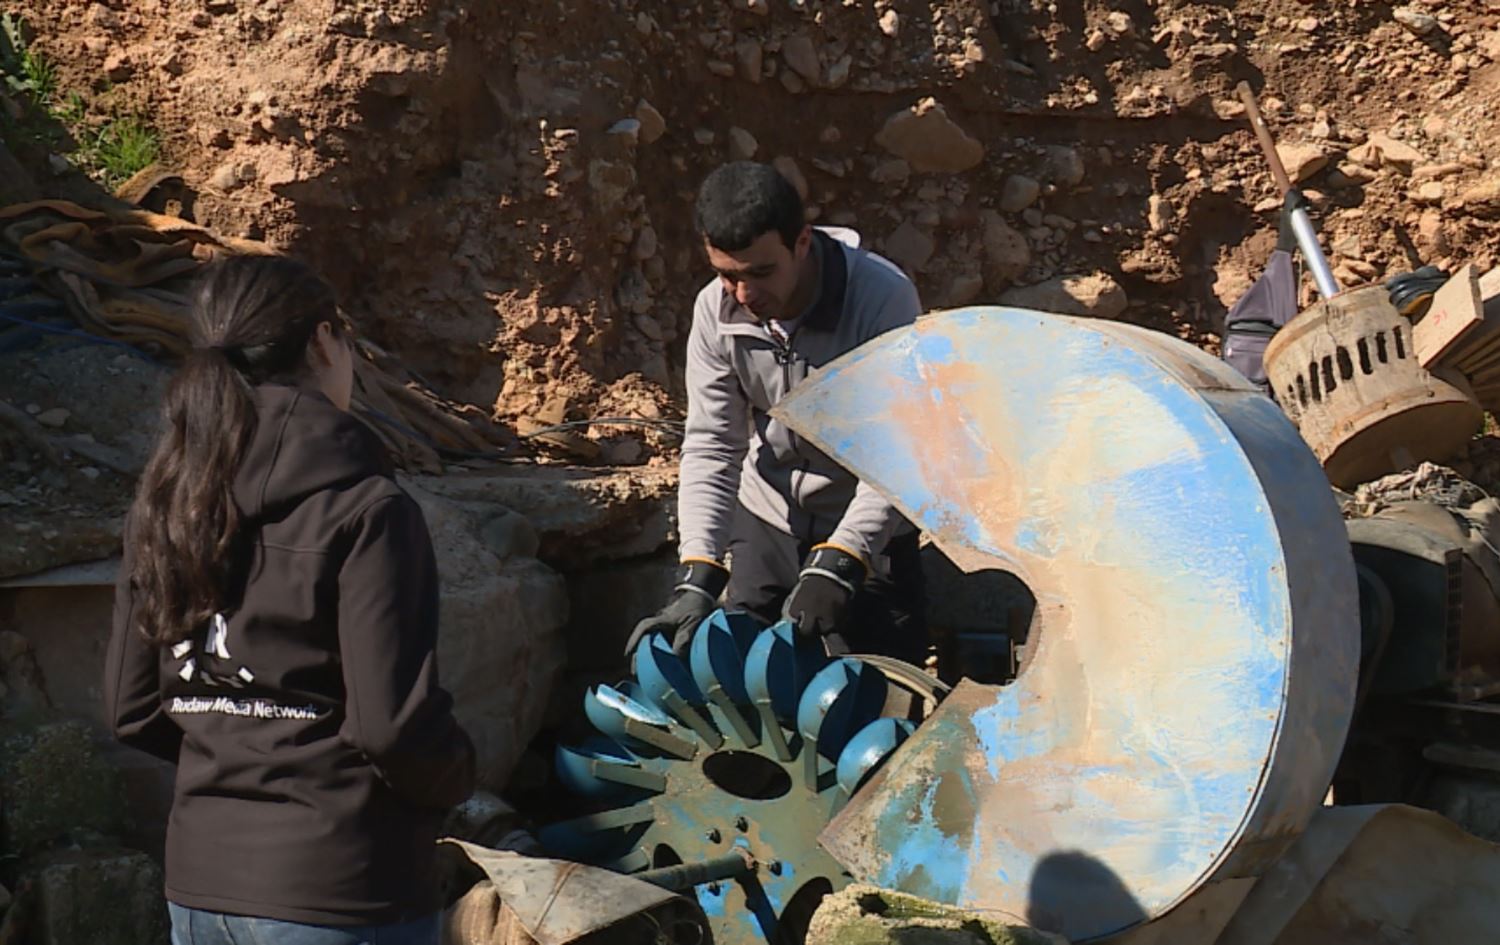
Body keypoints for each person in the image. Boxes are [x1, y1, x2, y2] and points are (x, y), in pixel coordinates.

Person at [104, 255, 475, 945]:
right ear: (324, 341)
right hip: (342, 886)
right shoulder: (368, 509)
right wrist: (458, 777)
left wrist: (233, 747)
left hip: (199, 886)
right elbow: (392, 726)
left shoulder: (163, 503)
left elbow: (131, 711)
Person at [627, 161, 927, 662]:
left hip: (868, 524)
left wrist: (843, 558)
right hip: (769, 516)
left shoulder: (881, 299)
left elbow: (900, 448)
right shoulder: (714, 312)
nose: (745, 295)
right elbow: (713, 443)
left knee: (877, 699)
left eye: (761, 273)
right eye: (727, 275)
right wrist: (697, 571)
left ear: (802, 242)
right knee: (742, 678)